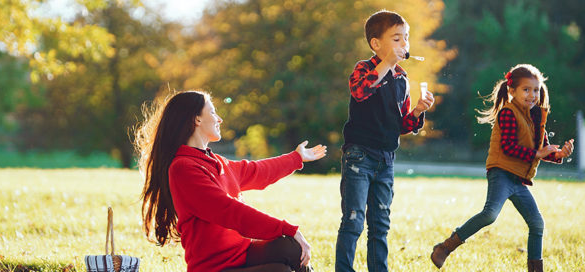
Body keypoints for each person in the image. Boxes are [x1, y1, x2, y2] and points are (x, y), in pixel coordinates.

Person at [135, 90, 327, 272]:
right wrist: (287, 228)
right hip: (216, 267)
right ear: (197, 119)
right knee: (280, 269)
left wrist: (297, 158)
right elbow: (229, 211)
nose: (219, 119)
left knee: (290, 247)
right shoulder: (183, 168)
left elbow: (257, 171)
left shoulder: (217, 163)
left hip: (242, 254)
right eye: (212, 111)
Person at [429, 64, 574, 272]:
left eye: (536, 90)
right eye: (526, 90)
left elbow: (541, 148)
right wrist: (538, 154)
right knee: (490, 214)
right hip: (501, 173)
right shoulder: (508, 113)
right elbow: (508, 148)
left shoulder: (536, 117)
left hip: (519, 180)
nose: (532, 95)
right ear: (512, 90)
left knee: (537, 223)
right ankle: (445, 248)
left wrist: (559, 153)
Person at [335, 10, 435, 272]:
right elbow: (360, 91)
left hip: (386, 159)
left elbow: (401, 125)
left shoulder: (402, 79)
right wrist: (386, 64)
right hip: (359, 156)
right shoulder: (364, 69)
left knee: (380, 224)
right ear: (376, 44)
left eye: (406, 39)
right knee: (354, 220)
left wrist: (418, 111)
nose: (404, 45)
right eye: (396, 39)